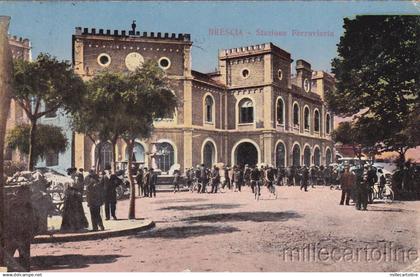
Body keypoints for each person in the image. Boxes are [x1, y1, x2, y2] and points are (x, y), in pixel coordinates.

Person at [60, 168, 89, 232]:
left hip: (75, 199)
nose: (75, 173)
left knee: (77, 212)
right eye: (74, 172)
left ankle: (77, 227)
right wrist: (75, 193)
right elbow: (66, 190)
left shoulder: (74, 179)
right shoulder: (68, 180)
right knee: (70, 213)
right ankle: (70, 227)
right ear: (71, 173)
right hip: (70, 199)